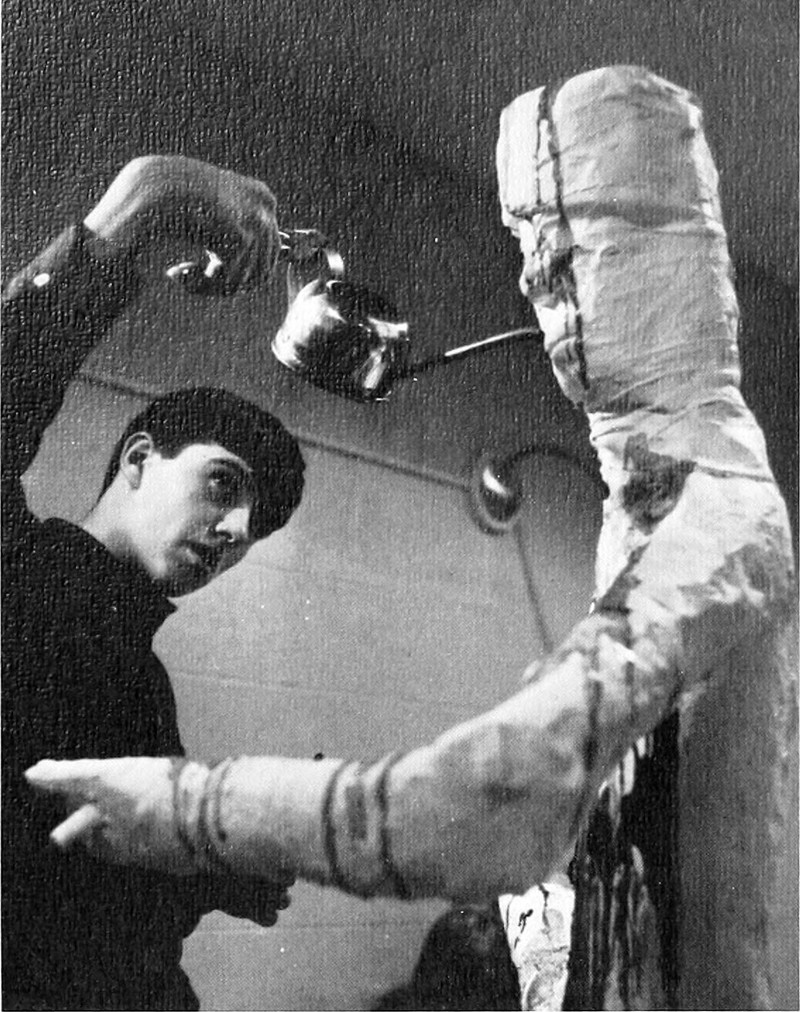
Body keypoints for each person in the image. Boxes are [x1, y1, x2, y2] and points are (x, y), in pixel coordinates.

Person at [28, 68, 798, 1010]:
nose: (544, 301)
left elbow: (498, 811)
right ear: (138, 460)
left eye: (566, 267)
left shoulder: (711, 513)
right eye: (537, 271)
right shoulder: (665, 498)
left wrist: (199, 816)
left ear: (657, 277)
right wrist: (212, 872)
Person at [2, 155, 306, 1010]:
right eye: (223, 484)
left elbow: (93, 892)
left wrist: (223, 863)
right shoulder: (14, 575)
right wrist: (146, 200)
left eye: (256, 523)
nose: (237, 530)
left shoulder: (142, 684)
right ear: (138, 461)